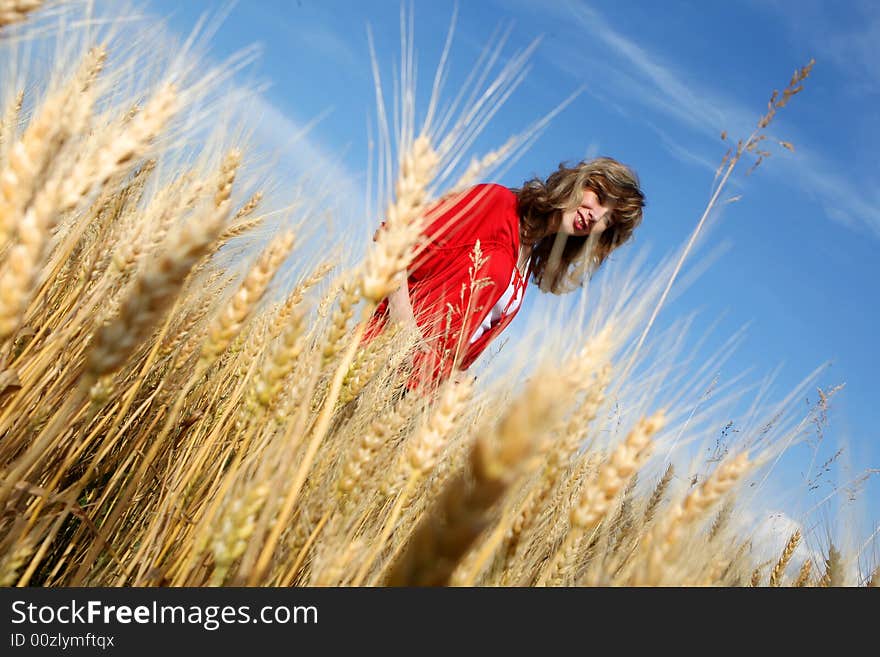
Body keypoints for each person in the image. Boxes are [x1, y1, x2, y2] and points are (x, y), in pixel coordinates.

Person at [364, 156, 645, 392]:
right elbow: (393, 239)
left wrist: (460, 380)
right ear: (580, 182)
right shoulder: (497, 204)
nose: (596, 216)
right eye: (601, 198)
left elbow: (466, 334)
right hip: (379, 367)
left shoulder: (526, 261)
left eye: (608, 220)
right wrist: (406, 335)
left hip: (417, 398)